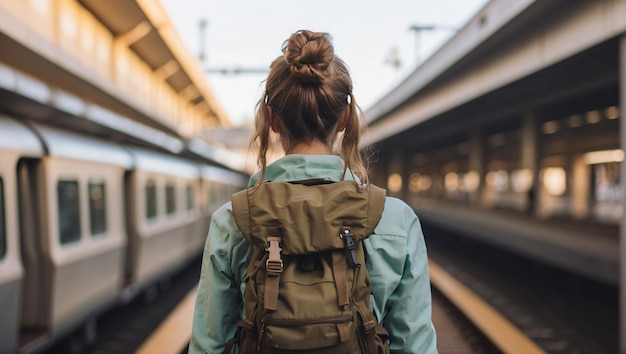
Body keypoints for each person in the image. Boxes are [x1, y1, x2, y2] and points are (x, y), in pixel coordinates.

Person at [188, 29, 437, 354]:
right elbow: (416, 346)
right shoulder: (396, 220)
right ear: (346, 117)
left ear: (271, 119)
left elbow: (208, 347)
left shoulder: (233, 221)